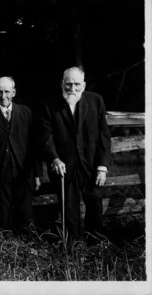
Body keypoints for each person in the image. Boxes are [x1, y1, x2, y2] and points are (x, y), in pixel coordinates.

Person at [39, 67, 111, 239]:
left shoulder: (96, 101)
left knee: (94, 204)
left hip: (91, 165)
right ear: (62, 84)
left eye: (77, 84)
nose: (72, 89)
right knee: (68, 208)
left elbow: (104, 135)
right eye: (68, 84)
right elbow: (45, 137)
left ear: (84, 85)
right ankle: (72, 248)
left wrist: (102, 166)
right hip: (64, 167)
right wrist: (54, 158)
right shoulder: (50, 105)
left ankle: (95, 245)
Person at [0, 76, 41, 232]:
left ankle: (27, 241)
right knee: (3, 211)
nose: (3, 96)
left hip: (23, 169)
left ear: (13, 92)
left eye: (7, 92)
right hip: (1, 171)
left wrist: (36, 174)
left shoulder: (26, 112)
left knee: (25, 210)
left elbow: (33, 145)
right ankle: (6, 244)